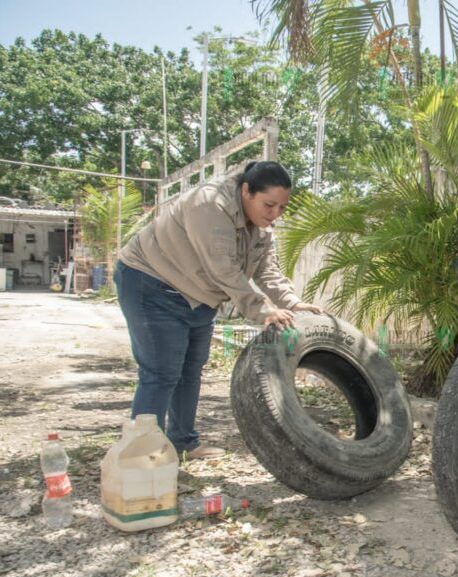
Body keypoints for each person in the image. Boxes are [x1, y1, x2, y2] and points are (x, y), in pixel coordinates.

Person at [114, 161, 324, 458]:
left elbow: (268, 272)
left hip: (198, 296)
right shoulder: (210, 204)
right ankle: (141, 456)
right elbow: (223, 269)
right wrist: (262, 310)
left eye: (281, 208)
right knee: (161, 372)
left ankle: (182, 443)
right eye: (269, 205)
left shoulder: (262, 229)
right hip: (152, 283)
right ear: (246, 190)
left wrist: (293, 302)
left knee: (190, 370)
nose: (275, 214)